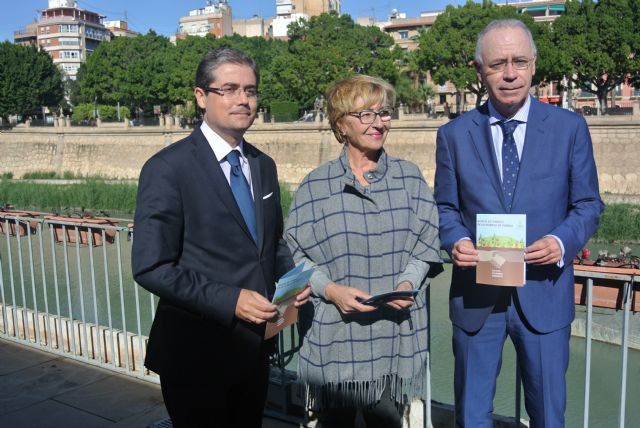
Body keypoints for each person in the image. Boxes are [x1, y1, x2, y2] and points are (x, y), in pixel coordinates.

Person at [434, 19, 603, 427]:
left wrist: (561, 242)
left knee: (548, 416)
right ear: (479, 71)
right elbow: (444, 208)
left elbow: (587, 204)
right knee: (471, 416)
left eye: (519, 62)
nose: (510, 74)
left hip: (544, 296)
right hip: (477, 300)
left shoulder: (569, 129)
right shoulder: (454, 135)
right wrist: (455, 239)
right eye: (497, 64)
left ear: (533, 65)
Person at [131, 47, 310, 427]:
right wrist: (231, 301)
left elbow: (271, 242)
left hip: (254, 349)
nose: (243, 99)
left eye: (250, 90)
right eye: (229, 89)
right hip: (195, 355)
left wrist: (291, 280)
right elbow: (151, 266)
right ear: (201, 97)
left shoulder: (263, 165)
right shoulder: (168, 168)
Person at [285, 75, 443, 428]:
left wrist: (407, 283)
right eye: (366, 114)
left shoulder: (409, 178)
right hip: (334, 337)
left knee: (387, 420)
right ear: (341, 124)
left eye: (384, 112)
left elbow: (427, 244)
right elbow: (296, 255)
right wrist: (331, 290)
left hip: (393, 338)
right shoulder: (315, 186)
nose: (379, 122)